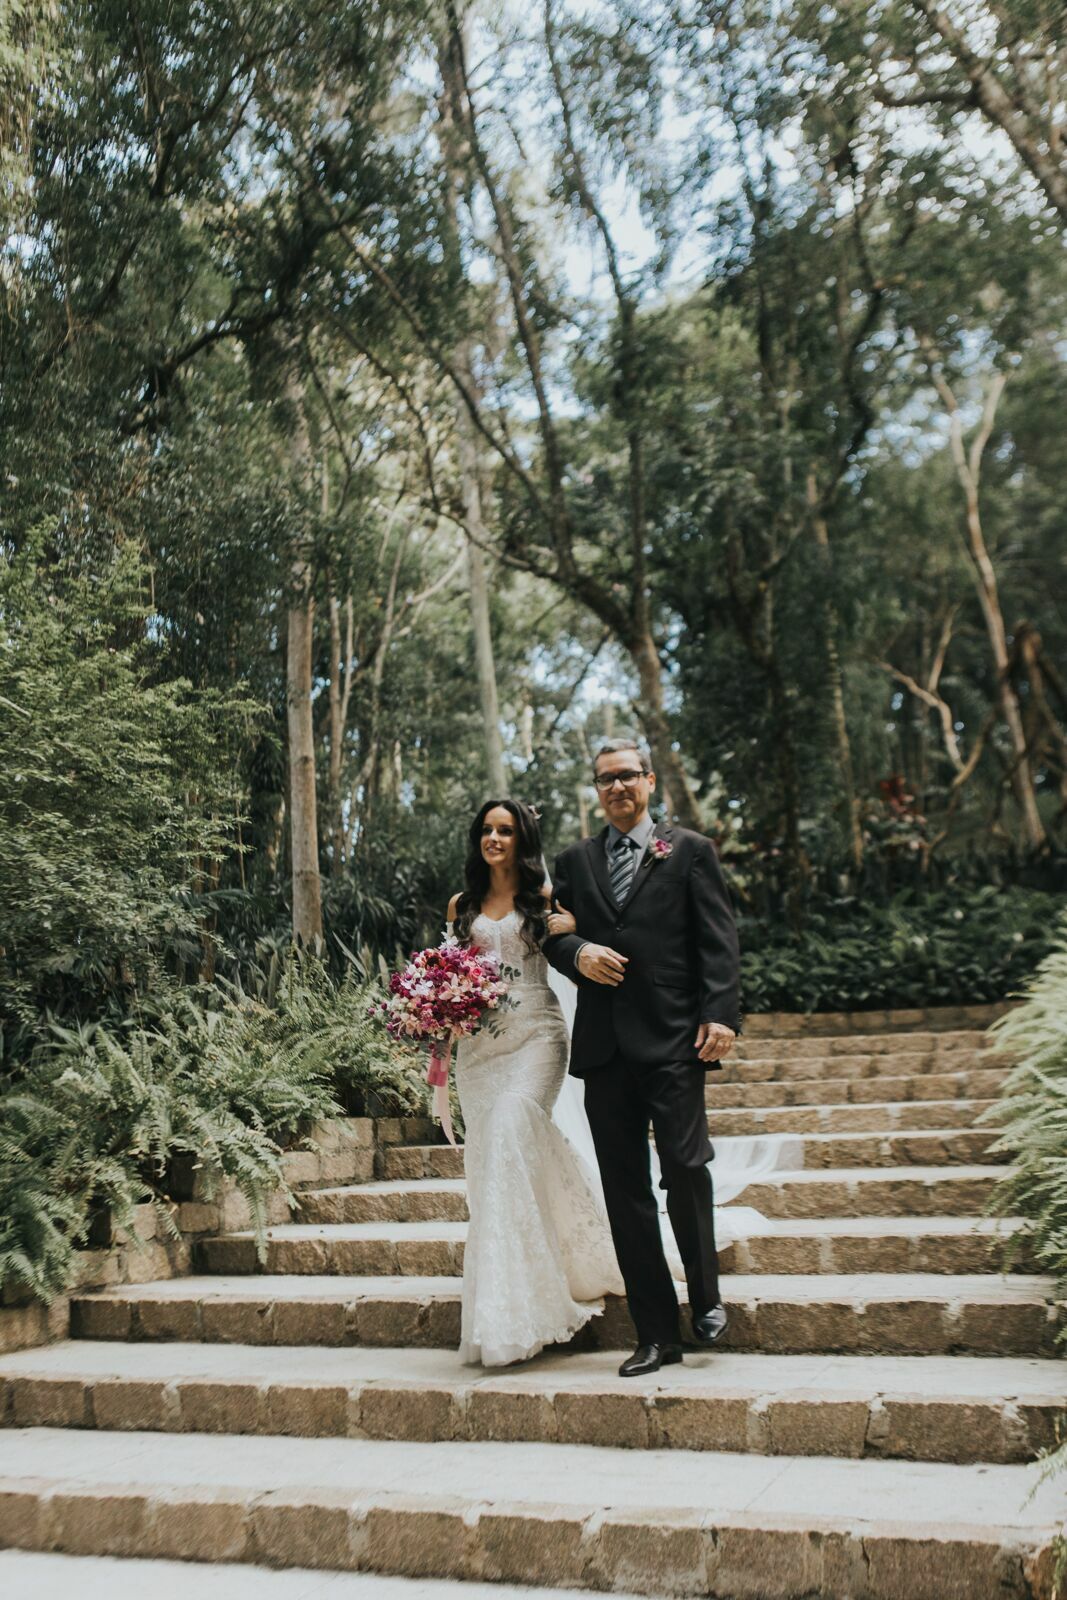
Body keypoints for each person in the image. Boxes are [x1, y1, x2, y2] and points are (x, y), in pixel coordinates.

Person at [543, 738, 741, 1378]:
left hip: (676, 1039)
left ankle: (706, 1297)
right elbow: (553, 931)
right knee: (625, 1192)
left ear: (649, 781)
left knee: (685, 1166)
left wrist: (720, 1014)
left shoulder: (689, 852)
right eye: (605, 780)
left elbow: (718, 938)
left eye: (627, 776)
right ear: (595, 790)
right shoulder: (575, 860)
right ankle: (656, 1333)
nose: (617, 787)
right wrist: (578, 955)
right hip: (605, 1050)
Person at [446, 798, 624, 1367]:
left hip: (537, 1039)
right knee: (495, 1161)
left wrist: (573, 929)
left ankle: (527, 1300)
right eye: (487, 830)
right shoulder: (460, 905)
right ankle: (509, 1297)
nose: (495, 838)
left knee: (510, 1132)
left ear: (522, 839)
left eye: (506, 830)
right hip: (478, 1050)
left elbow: (572, 948)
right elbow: (449, 971)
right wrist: (433, 1008)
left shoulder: (543, 899)